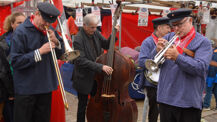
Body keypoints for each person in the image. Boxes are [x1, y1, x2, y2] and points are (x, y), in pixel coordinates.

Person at [10, 2, 64, 122]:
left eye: (50, 22)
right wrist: (39, 52)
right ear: (37, 14)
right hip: (26, 89)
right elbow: (15, 61)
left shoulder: (51, 30)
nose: (47, 25)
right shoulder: (21, 32)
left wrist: (57, 43)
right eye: (45, 21)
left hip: (45, 88)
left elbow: (63, 55)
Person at [155, 9, 212, 122]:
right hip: (166, 99)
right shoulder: (167, 37)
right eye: (173, 25)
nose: (176, 29)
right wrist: (156, 51)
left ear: (190, 20)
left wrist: (177, 57)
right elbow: (154, 64)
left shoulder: (203, 42)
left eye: (179, 24)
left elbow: (200, 68)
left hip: (188, 102)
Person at [71, 13, 118, 122]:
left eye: (96, 26)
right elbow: (80, 60)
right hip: (83, 78)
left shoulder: (96, 33)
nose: (94, 29)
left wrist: (113, 33)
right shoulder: (78, 39)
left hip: (95, 77)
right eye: (92, 27)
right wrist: (100, 66)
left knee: (96, 104)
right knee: (82, 106)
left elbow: (106, 45)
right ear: (84, 25)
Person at [138, 17, 171, 122]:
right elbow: (142, 62)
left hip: (166, 79)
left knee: (167, 109)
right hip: (152, 83)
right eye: (167, 27)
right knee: (154, 111)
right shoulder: (147, 42)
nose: (170, 30)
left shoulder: (169, 41)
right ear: (159, 28)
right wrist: (155, 51)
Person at [0, 11, 25, 122]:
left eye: (24, 23)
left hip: (25, 89)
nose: (22, 25)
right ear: (12, 24)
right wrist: (11, 92)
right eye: (19, 22)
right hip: (10, 91)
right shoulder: (3, 42)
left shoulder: (26, 38)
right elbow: (3, 71)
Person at [203, 39, 217, 110]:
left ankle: (206, 105)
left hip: (211, 76)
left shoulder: (213, 53)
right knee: (215, 91)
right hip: (215, 76)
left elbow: (212, 65)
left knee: (208, 91)